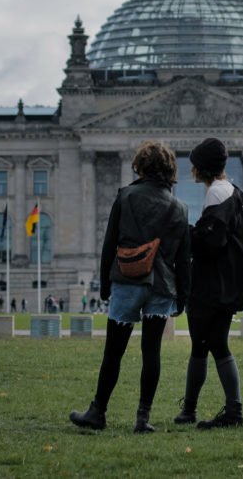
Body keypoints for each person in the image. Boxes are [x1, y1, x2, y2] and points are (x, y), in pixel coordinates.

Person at [70, 141, 190, 433]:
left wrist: (103, 283)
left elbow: (110, 242)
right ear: (170, 170)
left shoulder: (126, 196)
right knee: (152, 353)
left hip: (127, 280)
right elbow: (183, 258)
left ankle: (97, 412)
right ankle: (142, 418)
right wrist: (182, 297)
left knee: (114, 351)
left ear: (140, 166)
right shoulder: (180, 207)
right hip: (161, 286)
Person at [173, 137, 243, 430]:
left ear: (200, 168)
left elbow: (211, 242)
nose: (191, 169)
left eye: (194, 164)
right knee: (209, 343)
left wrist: (184, 232)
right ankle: (196, 409)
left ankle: (227, 411)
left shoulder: (217, 195)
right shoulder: (238, 194)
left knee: (209, 343)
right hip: (230, 282)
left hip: (213, 284)